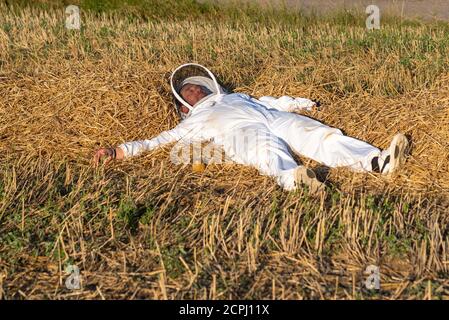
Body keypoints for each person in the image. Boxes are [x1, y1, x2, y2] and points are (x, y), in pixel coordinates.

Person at [93, 63, 409, 194]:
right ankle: (296, 182)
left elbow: (273, 101)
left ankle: (377, 162)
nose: (195, 90)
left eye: (197, 86)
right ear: (183, 104)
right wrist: (117, 151)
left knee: (316, 134)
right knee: (266, 151)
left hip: (270, 117)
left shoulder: (236, 96)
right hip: (241, 136)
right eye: (189, 90)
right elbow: (155, 142)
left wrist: (303, 102)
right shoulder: (192, 123)